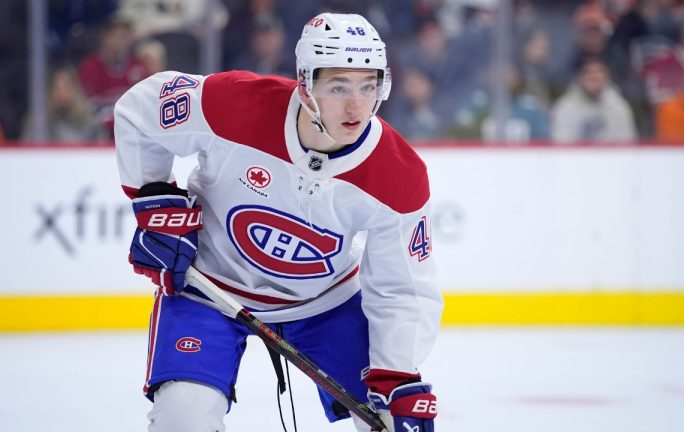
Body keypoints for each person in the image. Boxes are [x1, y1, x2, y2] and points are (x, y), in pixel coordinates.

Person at [114, 12, 442, 432]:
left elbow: (403, 288)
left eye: (368, 85)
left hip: (327, 303)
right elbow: (142, 109)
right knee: (183, 418)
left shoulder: (398, 173)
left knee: (389, 416)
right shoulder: (236, 103)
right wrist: (152, 197)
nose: (357, 105)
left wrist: (396, 375)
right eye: (338, 86)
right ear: (305, 84)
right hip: (208, 289)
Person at [551, 56, 637, 144]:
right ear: (579, 78)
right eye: (588, 72)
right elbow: (561, 146)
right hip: (577, 157)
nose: (594, 77)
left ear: (607, 77)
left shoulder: (619, 107)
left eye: (599, 72)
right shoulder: (565, 108)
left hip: (612, 157)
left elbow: (627, 144)